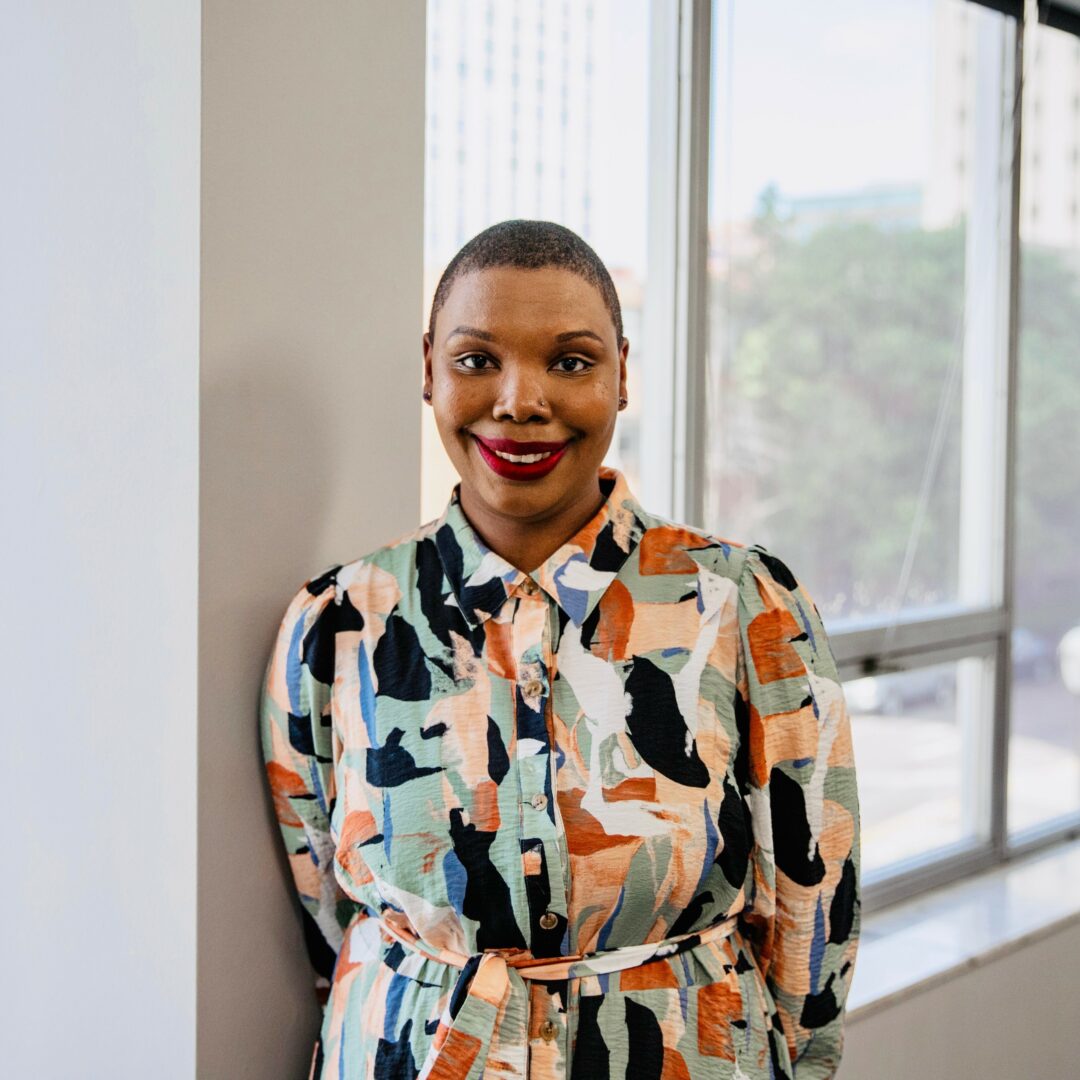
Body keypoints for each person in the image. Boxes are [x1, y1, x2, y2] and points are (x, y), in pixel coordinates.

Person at [259, 219, 861, 1080]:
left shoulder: (743, 604)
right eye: (476, 360)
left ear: (622, 375)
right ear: (428, 369)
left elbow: (813, 912)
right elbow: (328, 905)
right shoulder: (337, 624)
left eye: (571, 362)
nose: (520, 401)